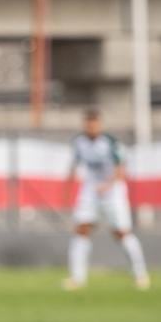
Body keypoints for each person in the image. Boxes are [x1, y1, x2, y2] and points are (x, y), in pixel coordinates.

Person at [64, 109, 150, 290]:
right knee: (81, 230)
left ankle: (140, 275)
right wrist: (67, 191)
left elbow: (121, 170)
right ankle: (77, 279)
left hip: (113, 192)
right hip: (90, 190)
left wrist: (108, 185)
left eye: (94, 123)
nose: (91, 126)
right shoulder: (79, 143)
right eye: (88, 123)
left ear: (100, 125)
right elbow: (74, 166)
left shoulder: (111, 143)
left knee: (121, 232)